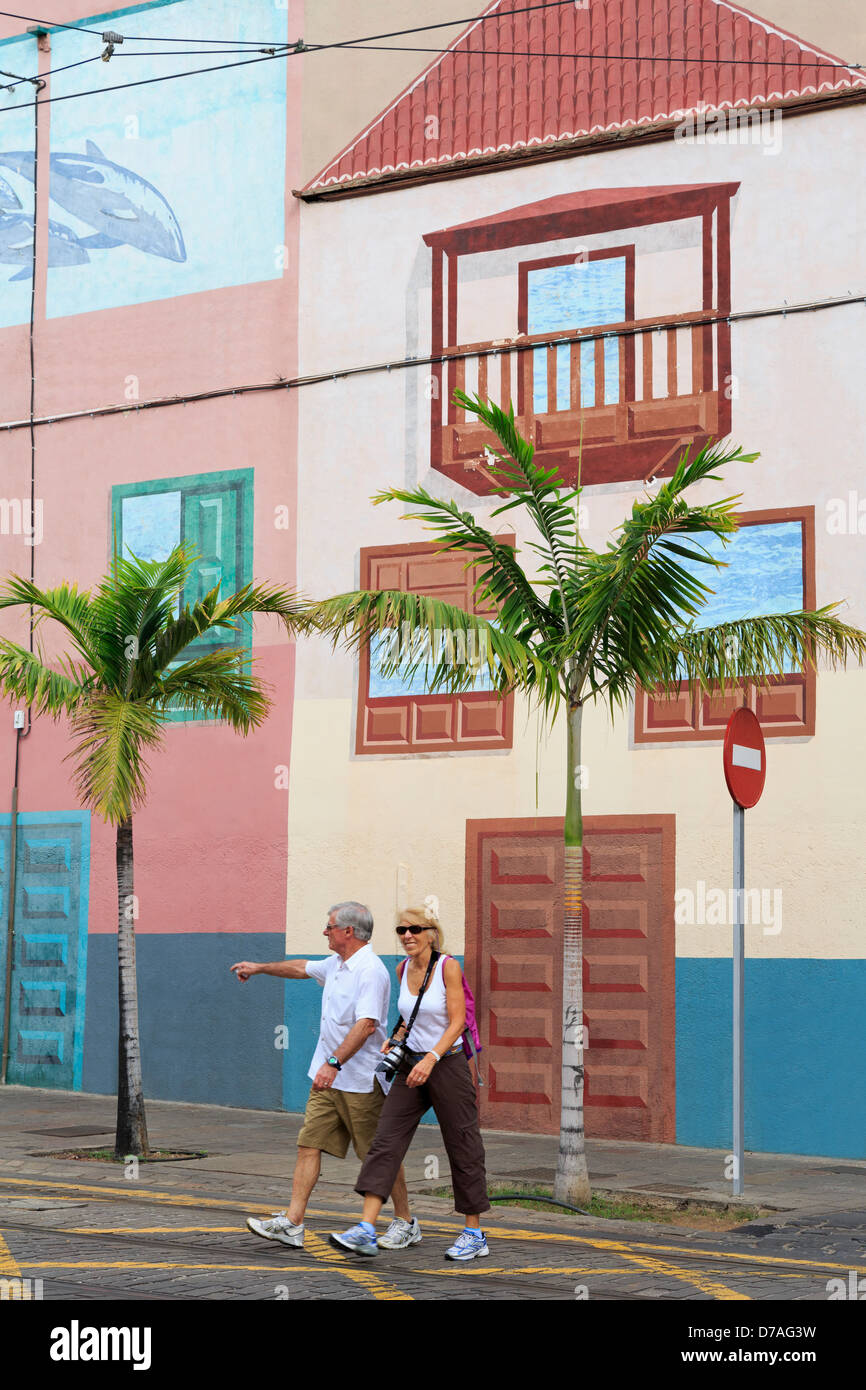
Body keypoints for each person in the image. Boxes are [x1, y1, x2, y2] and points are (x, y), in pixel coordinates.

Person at [230, 901, 420, 1251]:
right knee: (309, 1144)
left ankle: (406, 1222)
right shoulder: (337, 964)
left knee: (378, 1156)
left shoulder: (371, 971)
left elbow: (366, 1025)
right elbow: (301, 968)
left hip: (361, 1081)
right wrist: (260, 968)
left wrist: (333, 1063)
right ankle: (293, 1222)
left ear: (349, 931)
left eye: (330, 926)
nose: (324, 931)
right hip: (327, 1079)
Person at [330, 904, 490, 1261]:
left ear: (431, 933)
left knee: (463, 1144)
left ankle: (474, 1232)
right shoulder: (402, 968)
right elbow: (408, 1015)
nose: (407, 936)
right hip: (410, 1066)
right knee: (385, 1140)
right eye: (401, 930)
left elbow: (457, 1022)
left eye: (415, 929)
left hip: (445, 1065)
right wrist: (399, 1035)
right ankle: (366, 1229)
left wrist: (432, 1058)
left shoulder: (448, 966)